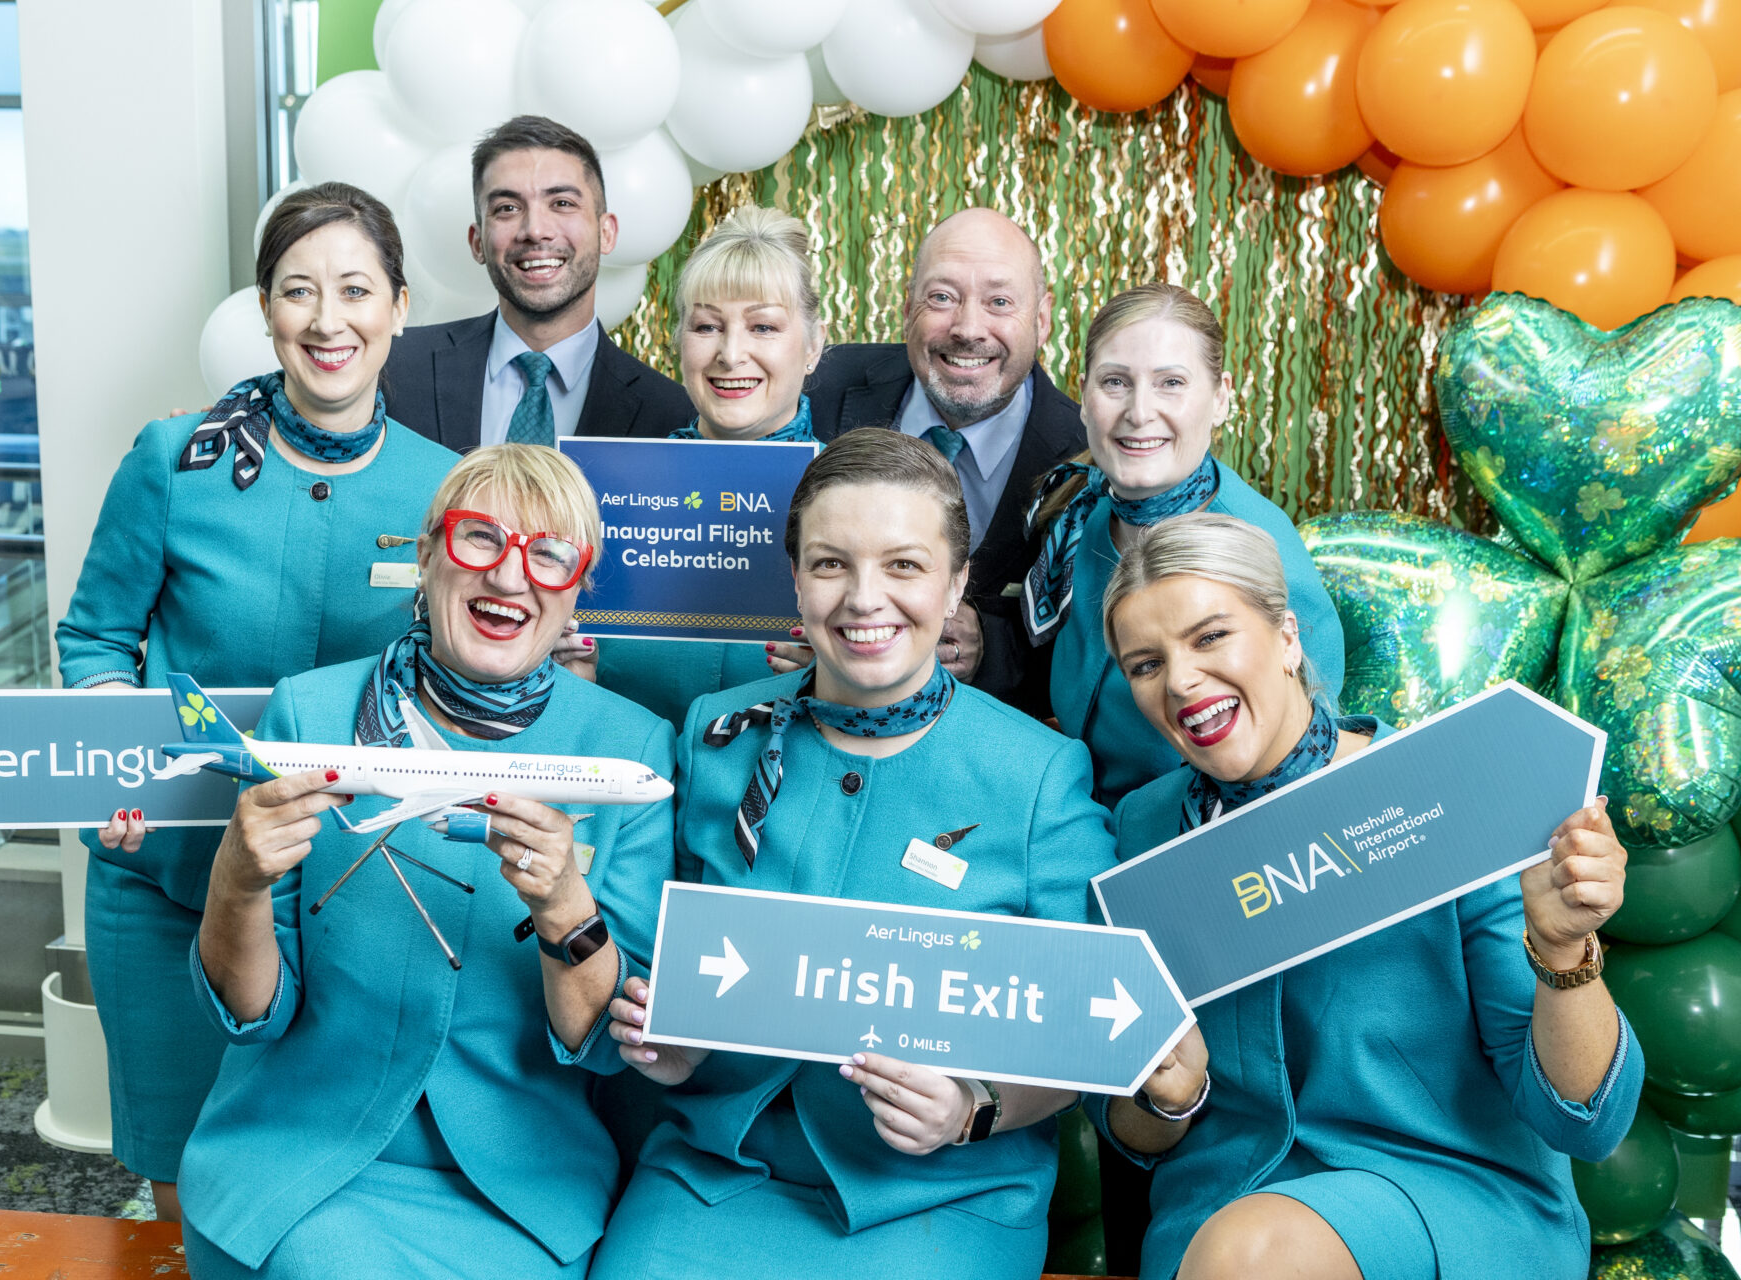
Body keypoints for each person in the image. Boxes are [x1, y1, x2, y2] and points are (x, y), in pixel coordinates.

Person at [584, 430, 1113, 1278]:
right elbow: (657, 969)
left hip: (942, 1193)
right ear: (795, 579)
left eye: (904, 566)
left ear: (956, 584)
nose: (866, 599)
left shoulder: (1041, 774)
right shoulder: (716, 734)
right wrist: (667, 1044)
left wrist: (972, 1107)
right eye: (832, 564)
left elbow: (1086, 1029)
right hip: (715, 1171)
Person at [1094, 512, 1642, 1280]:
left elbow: (1586, 1123)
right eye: (1146, 664)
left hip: (1447, 1194)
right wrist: (1168, 1101)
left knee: (1252, 1252)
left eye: (1210, 636)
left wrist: (1561, 951)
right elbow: (1128, 1131)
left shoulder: (1443, 791)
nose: (1181, 680)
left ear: (1288, 637)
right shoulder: (1142, 830)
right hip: (1217, 1208)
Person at [53, 183, 457, 1219]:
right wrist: (114, 755)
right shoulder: (173, 460)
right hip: (171, 884)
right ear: (265, 308)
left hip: (354, 902)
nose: (328, 320)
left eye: (356, 289)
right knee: (185, 1181)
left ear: (400, 306)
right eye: (298, 290)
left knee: (324, 1189)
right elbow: (94, 637)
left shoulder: (448, 489)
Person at [176, 444, 676, 1279]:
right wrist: (237, 880)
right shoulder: (312, 711)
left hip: (519, 1187)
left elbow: (606, 1048)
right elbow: (251, 1013)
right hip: (300, 1161)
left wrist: (564, 907)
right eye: (481, 538)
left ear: (578, 590)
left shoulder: (632, 745)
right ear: (427, 553)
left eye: (549, 555)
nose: (509, 577)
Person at [1030, 281, 1345, 809]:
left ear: (1220, 398)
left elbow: (1299, 777)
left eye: (1171, 382)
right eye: (1115, 382)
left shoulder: (1258, 553)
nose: (1139, 412)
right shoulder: (1089, 519)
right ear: (1083, 396)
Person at [805, 208, 1084, 713]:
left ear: (1042, 319)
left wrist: (990, 647)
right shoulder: (817, 386)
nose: (968, 328)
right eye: (942, 298)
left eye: (999, 302)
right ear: (907, 306)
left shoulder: (1086, 455)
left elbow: (1094, 648)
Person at [590, 204, 826, 724]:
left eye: (763, 326)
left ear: (813, 345)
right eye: (707, 326)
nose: (731, 353)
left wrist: (845, 673)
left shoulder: (857, 498)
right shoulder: (608, 492)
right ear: (679, 340)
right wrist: (567, 671)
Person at [383, 115, 691, 451]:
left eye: (562, 204)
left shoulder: (672, 416)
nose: (535, 230)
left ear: (606, 233)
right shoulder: (392, 368)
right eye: (508, 208)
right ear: (477, 242)